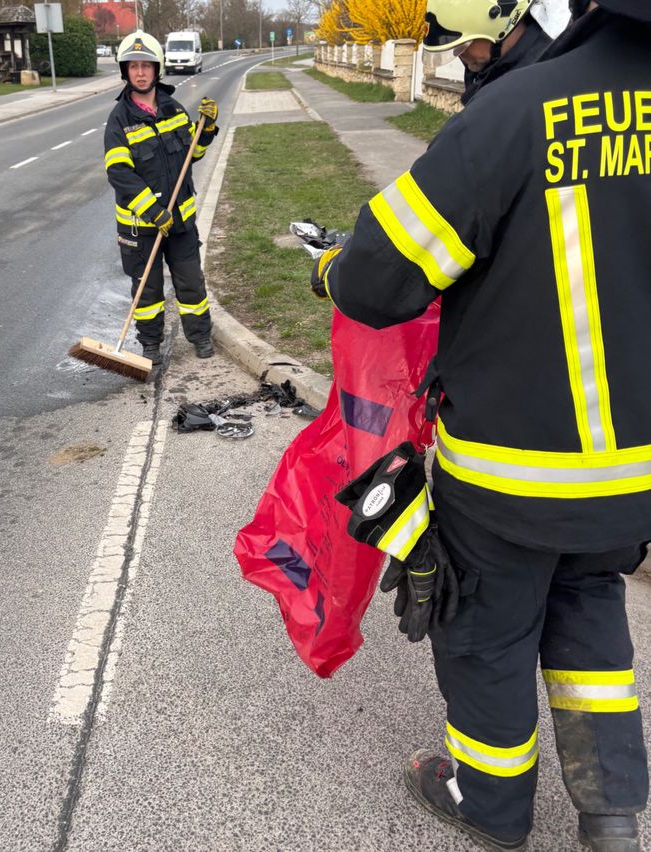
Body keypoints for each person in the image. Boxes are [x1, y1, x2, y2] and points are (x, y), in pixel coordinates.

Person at [313, 1, 651, 849]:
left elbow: (378, 280)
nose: (462, 59)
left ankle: (489, 807)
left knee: (486, 635)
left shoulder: (520, 112)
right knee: (587, 608)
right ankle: (609, 809)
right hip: (634, 477)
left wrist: (331, 266)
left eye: (464, 43)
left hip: (511, 474)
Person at [103, 30, 218, 365]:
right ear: (125, 71)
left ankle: (199, 336)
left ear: (157, 69)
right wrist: (154, 211)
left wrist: (206, 129)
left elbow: (191, 156)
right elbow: (120, 175)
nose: (140, 72)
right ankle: (150, 345)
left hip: (180, 223)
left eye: (146, 66)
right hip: (142, 229)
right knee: (148, 293)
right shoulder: (119, 122)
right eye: (133, 66)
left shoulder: (174, 109)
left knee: (192, 285)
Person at [424, 0, 554, 105]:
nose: (459, 55)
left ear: (499, 22)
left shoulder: (543, 87)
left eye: (462, 46)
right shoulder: (488, 77)